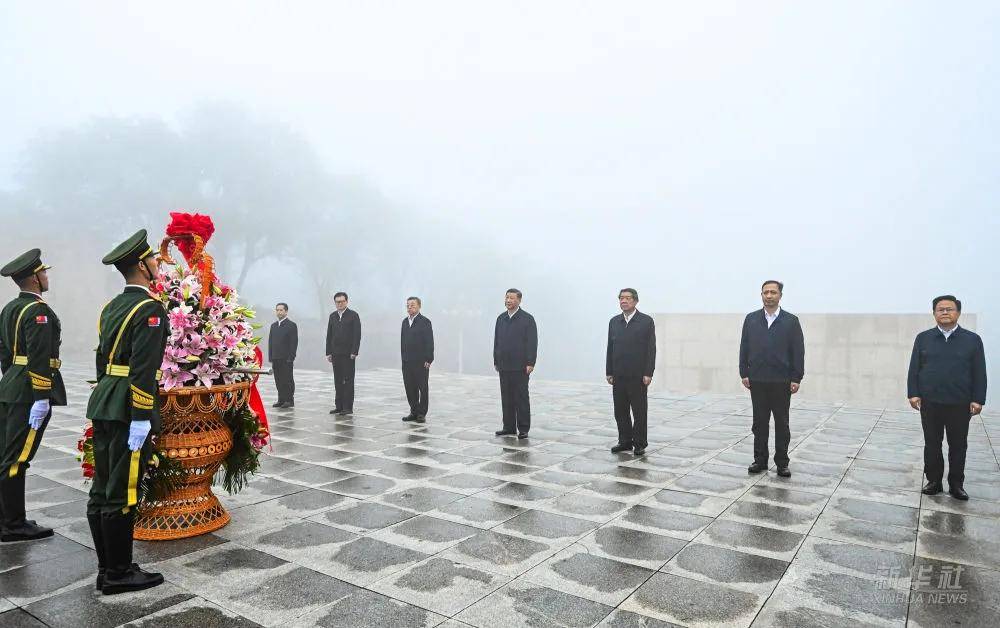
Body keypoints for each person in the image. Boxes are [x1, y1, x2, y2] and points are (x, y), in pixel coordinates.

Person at [86, 229, 168, 594]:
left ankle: (107, 568)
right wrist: (140, 416)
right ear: (142, 266)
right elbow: (143, 369)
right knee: (123, 487)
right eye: (152, 259)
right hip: (128, 407)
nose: (156, 264)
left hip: (106, 399)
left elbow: (102, 359)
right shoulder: (149, 309)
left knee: (102, 487)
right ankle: (119, 573)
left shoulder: (111, 307)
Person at [0, 249, 64, 542]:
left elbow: (5, 352)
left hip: (12, 386)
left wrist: (12, 379)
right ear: (35, 278)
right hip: (29, 392)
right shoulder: (39, 311)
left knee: (6, 455)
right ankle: (14, 524)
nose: (47, 276)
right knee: (17, 459)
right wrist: (41, 396)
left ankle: (6, 519)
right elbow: (39, 356)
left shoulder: (10, 308)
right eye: (44, 272)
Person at [908, 295, 987, 501]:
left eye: (949, 309)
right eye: (940, 309)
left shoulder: (972, 340)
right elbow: (914, 367)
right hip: (930, 402)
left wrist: (978, 399)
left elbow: (979, 371)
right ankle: (934, 481)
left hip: (959, 403)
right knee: (932, 444)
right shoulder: (923, 338)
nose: (944, 312)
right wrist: (913, 393)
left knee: (958, 445)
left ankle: (956, 484)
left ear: (958, 313)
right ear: (934, 313)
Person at [739, 280, 804, 477]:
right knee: (759, 423)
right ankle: (760, 460)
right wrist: (744, 372)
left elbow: (798, 351)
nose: (769, 295)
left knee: (782, 424)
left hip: (781, 381)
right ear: (761, 295)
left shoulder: (791, 321)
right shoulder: (751, 319)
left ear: (780, 295)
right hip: (757, 380)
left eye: (773, 292)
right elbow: (744, 347)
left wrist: (796, 377)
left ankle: (782, 462)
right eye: (765, 292)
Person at [606, 288, 656, 456]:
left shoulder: (646, 321)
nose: (624, 301)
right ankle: (625, 441)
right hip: (618, 375)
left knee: (639, 411)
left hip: (638, 376)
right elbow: (610, 348)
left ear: (635, 301)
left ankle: (640, 443)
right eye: (621, 298)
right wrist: (609, 371)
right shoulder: (614, 322)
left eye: (627, 298)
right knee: (620, 411)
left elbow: (651, 349)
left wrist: (648, 372)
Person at [493, 289, 537, 438]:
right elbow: (497, 341)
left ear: (519, 300)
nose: (508, 300)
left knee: (521, 397)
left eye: (512, 298)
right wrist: (496, 360)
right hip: (504, 365)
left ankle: (523, 428)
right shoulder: (501, 318)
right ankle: (508, 426)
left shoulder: (527, 319)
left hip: (520, 366)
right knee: (506, 397)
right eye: (507, 297)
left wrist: (530, 362)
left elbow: (532, 342)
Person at [325, 292, 361, 414]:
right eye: (337, 302)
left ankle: (347, 407)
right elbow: (329, 335)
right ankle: (339, 406)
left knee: (348, 381)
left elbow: (357, 335)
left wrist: (354, 351)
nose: (339, 304)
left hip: (348, 354)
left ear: (346, 301)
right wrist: (328, 352)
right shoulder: (332, 316)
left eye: (342, 301)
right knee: (338, 380)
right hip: (335, 353)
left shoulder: (353, 315)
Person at [401, 297, 434, 423]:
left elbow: (429, 341)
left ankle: (421, 413)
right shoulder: (405, 322)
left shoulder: (425, 322)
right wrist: (403, 359)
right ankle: (413, 411)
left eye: (412, 305)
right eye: (408, 305)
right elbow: (403, 342)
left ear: (419, 306)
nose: (410, 307)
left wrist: (428, 359)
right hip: (407, 361)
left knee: (422, 388)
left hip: (421, 362)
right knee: (410, 387)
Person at [268, 302, 298, 408]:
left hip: (286, 358)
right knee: (278, 380)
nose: (279, 312)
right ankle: (281, 399)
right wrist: (271, 356)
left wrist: (291, 357)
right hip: (275, 358)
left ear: (286, 311)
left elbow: (294, 343)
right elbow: (271, 342)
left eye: (281, 310)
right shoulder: (273, 326)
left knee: (287, 380)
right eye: (277, 310)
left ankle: (289, 400)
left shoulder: (291, 325)